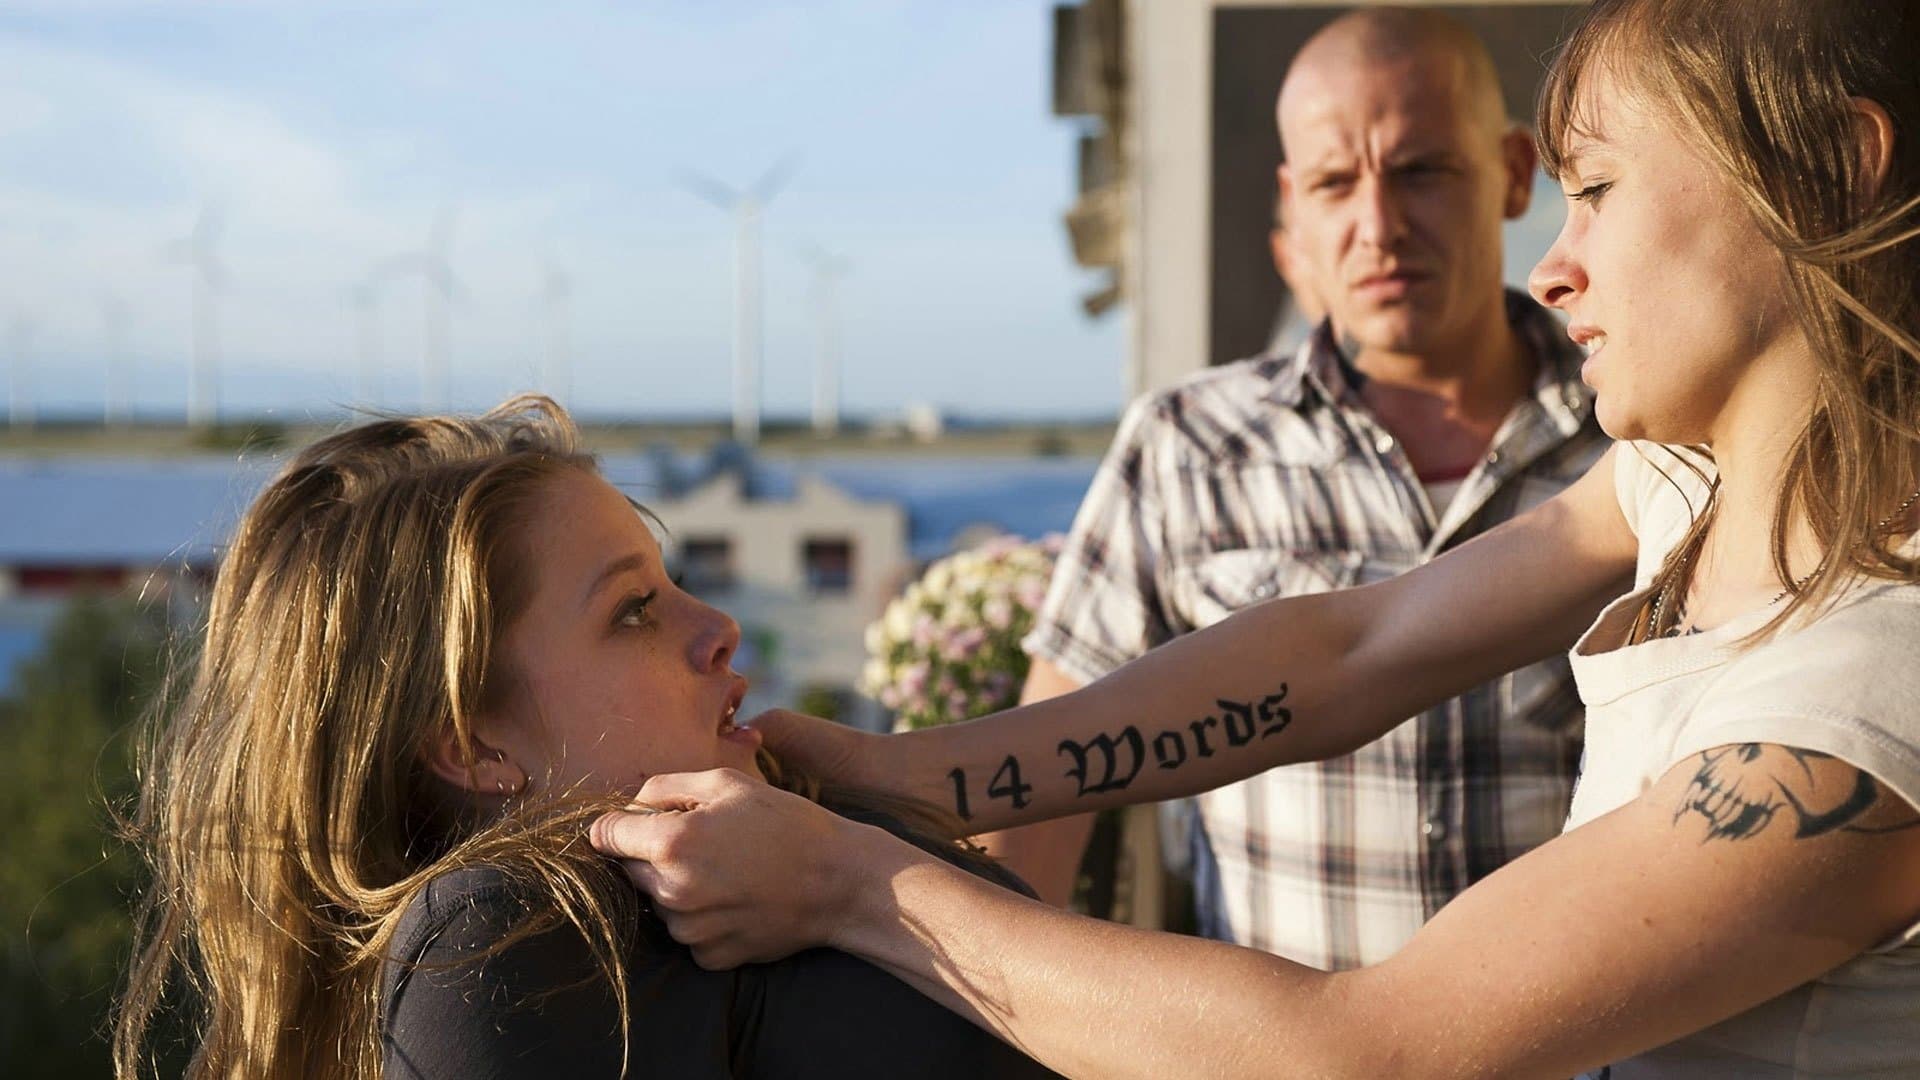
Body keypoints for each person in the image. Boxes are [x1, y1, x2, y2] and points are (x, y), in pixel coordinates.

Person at [593, 0, 1920, 1075]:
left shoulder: (1869, 689)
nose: (1553, 264)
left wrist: (842, 884)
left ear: (1826, 168)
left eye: (1600, 190)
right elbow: (1359, 646)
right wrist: (901, 773)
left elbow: (1370, 1048)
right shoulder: (1674, 486)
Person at [110, 398, 1056, 1079]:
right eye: (636, 610)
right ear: (474, 748)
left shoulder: (753, 875)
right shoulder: (495, 948)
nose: (717, 625)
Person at [985, 8, 1604, 976]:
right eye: (1333, 182)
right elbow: (1043, 793)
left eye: (1422, 170)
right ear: (1294, 206)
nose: (1379, 224)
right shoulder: (1186, 447)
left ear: (1515, 174)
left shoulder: (1643, 434)